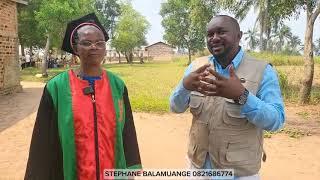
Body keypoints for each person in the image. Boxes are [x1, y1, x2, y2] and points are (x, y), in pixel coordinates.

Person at [25, 13, 142, 180]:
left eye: (99, 43)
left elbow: (127, 132)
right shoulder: (56, 87)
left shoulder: (117, 86)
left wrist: (130, 172)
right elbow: (42, 140)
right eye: (86, 43)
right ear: (76, 48)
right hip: (70, 173)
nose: (94, 47)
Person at [169, 15, 285, 179]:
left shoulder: (263, 71)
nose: (214, 38)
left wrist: (242, 96)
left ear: (239, 36)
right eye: (210, 34)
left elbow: (276, 120)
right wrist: (184, 86)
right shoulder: (196, 67)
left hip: (239, 174)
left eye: (221, 32)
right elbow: (175, 107)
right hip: (198, 170)